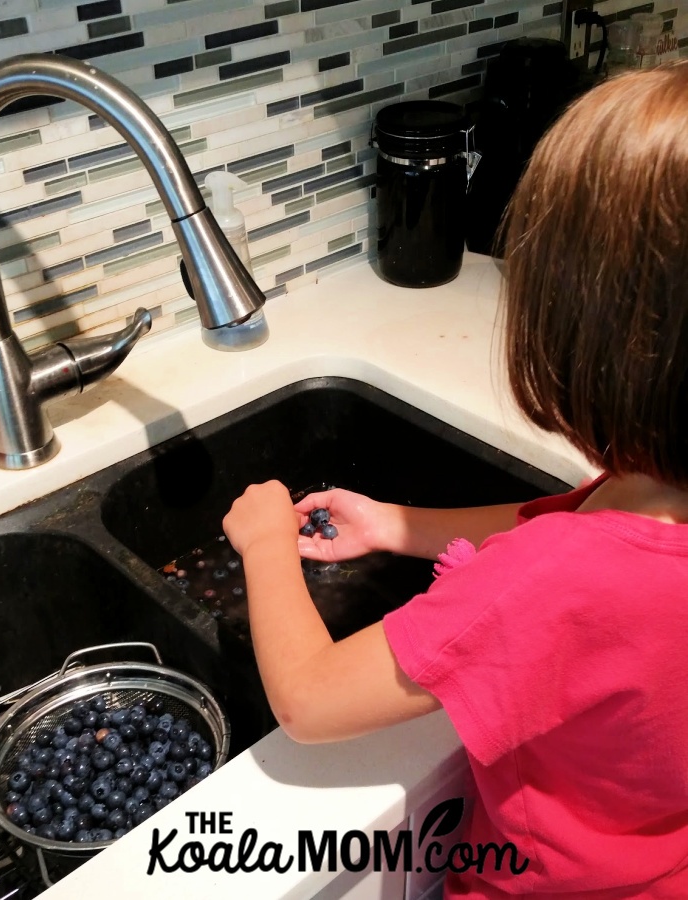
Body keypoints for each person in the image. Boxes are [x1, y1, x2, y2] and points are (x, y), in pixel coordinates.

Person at [222, 61, 688, 898]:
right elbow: (559, 521)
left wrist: (264, 545)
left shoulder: (558, 583)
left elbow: (310, 700)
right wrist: (396, 524)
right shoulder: (655, 499)